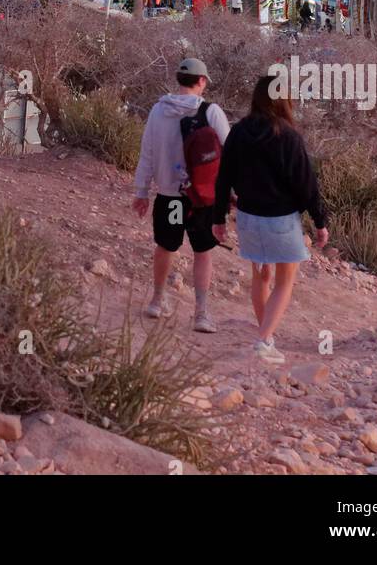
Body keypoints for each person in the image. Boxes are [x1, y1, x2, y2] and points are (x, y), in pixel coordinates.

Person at [213, 76, 329, 364]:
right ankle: (264, 341)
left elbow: (223, 178)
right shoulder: (288, 137)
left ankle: (268, 337)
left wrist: (218, 218)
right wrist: (319, 220)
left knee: (260, 277)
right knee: (284, 282)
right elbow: (306, 184)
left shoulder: (238, 133)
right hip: (281, 220)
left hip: (249, 218)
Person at [132, 58, 231, 331]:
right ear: (201, 81)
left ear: (178, 79)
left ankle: (156, 300)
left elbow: (147, 154)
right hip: (200, 197)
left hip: (169, 197)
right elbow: (232, 152)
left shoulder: (157, 111)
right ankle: (201, 313)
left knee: (166, 246)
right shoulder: (210, 112)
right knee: (203, 251)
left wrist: (141, 191)